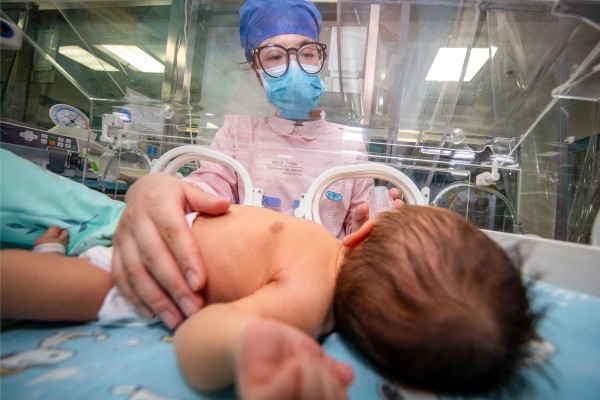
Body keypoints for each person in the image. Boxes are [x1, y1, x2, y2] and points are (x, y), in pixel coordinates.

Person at [1, 204, 537, 398]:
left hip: (132, 275)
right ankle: (52, 253)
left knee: (32, 283)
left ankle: (49, 258)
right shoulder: (317, 260)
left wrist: (246, 344)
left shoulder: (306, 298)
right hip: (154, 233)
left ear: (364, 233)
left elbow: (196, 340)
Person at [110, 0, 394, 329]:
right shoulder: (238, 132)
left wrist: (368, 225)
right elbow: (205, 190)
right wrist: (160, 188)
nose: (295, 66)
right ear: (258, 74)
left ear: (321, 59)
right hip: (244, 279)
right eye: (275, 57)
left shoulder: (348, 145)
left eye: (306, 53)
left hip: (313, 286)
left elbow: (354, 240)